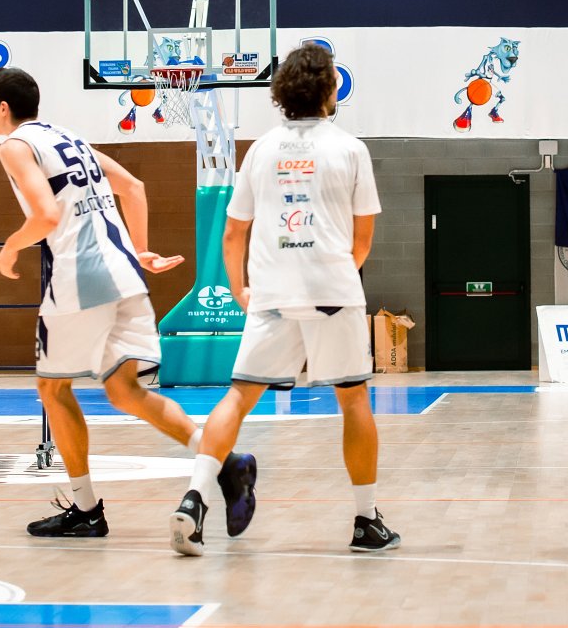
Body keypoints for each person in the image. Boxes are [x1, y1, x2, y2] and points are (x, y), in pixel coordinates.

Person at [0, 66, 238, 537]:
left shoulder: (14, 145)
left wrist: (10, 247)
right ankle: (227, 461)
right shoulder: (70, 138)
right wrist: (140, 249)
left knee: (53, 390)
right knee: (126, 392)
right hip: (125, 276)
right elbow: (134, 187)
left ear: (2, 107)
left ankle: (86, 510)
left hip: (80, 278)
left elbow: (46, 215)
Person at [168, 43, 399, 557]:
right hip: (333, 291)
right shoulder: (350, 149)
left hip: (271, 292)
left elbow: (234, 233)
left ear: (282, 92)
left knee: (238, 397)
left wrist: (239, 289)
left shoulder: (261, 149)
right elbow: (362, 240)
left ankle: (193, 498)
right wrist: (335, 277)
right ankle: (366, 521)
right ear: (329, 89)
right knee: (354, 400)